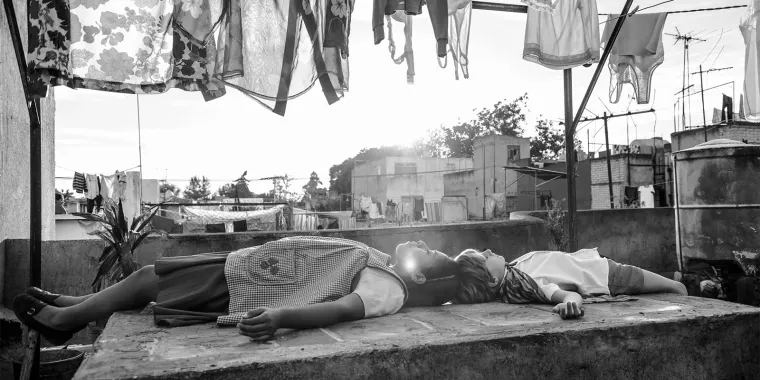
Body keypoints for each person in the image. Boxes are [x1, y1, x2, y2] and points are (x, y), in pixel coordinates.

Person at [13, 237, 458, 345]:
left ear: (419, 277)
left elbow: (342, 308)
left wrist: (281, 318)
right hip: (247, 269)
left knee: (150, 279)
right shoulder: (382, 263)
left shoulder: (389, 288)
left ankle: (64, 321)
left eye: (429, 254)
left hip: (249, 287)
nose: (422, 245)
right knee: (148, 279)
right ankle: (75, 306)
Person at [454, 247, 687, 320]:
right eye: (484, 258)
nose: (487, 250)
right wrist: (570, 304)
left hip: (596, 266)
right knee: (674, 287)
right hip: (606, 277)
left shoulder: (513, 272)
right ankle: (683, 296)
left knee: (667, 284)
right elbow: (562, 294)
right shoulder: (524, 284)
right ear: (493, 280)